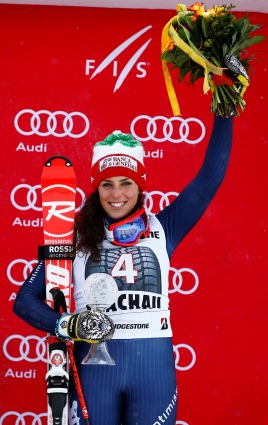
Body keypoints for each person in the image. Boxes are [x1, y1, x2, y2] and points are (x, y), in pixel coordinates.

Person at [14, 59, 248, 423]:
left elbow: (210, 178)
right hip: (96, 370)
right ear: (96, 188)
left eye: (126, 183)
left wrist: (226, 105)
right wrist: (64, 325)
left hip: (151, 371)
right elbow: (24, 301)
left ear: (140, 186)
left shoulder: (164, 225)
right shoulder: (72, 236)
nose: (117, 193)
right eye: (107, 183)